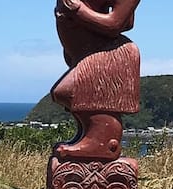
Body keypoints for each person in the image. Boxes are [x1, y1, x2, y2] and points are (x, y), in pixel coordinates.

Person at [52, 0, 141, 160]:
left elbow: (117, 23)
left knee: (67, 91)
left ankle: (103, 142)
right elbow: (129, 22)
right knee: (72, 95)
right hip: (85, 51)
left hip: (108, 52)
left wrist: (77, 10)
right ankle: (86, 135)